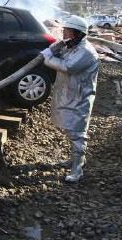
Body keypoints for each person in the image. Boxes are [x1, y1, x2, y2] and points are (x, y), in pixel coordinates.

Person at [40, 15, 99, 183]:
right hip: (68, 94)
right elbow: (60, 53)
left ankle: (77, 169)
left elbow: (68, 66)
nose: (64, 34)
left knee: (77, 133)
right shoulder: (71, 45)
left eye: (67, 31)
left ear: (77, 34)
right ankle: (75, 159)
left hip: (80, 97)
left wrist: (47, 57)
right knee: (69, 129)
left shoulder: (86, 51)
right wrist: (55, 46)